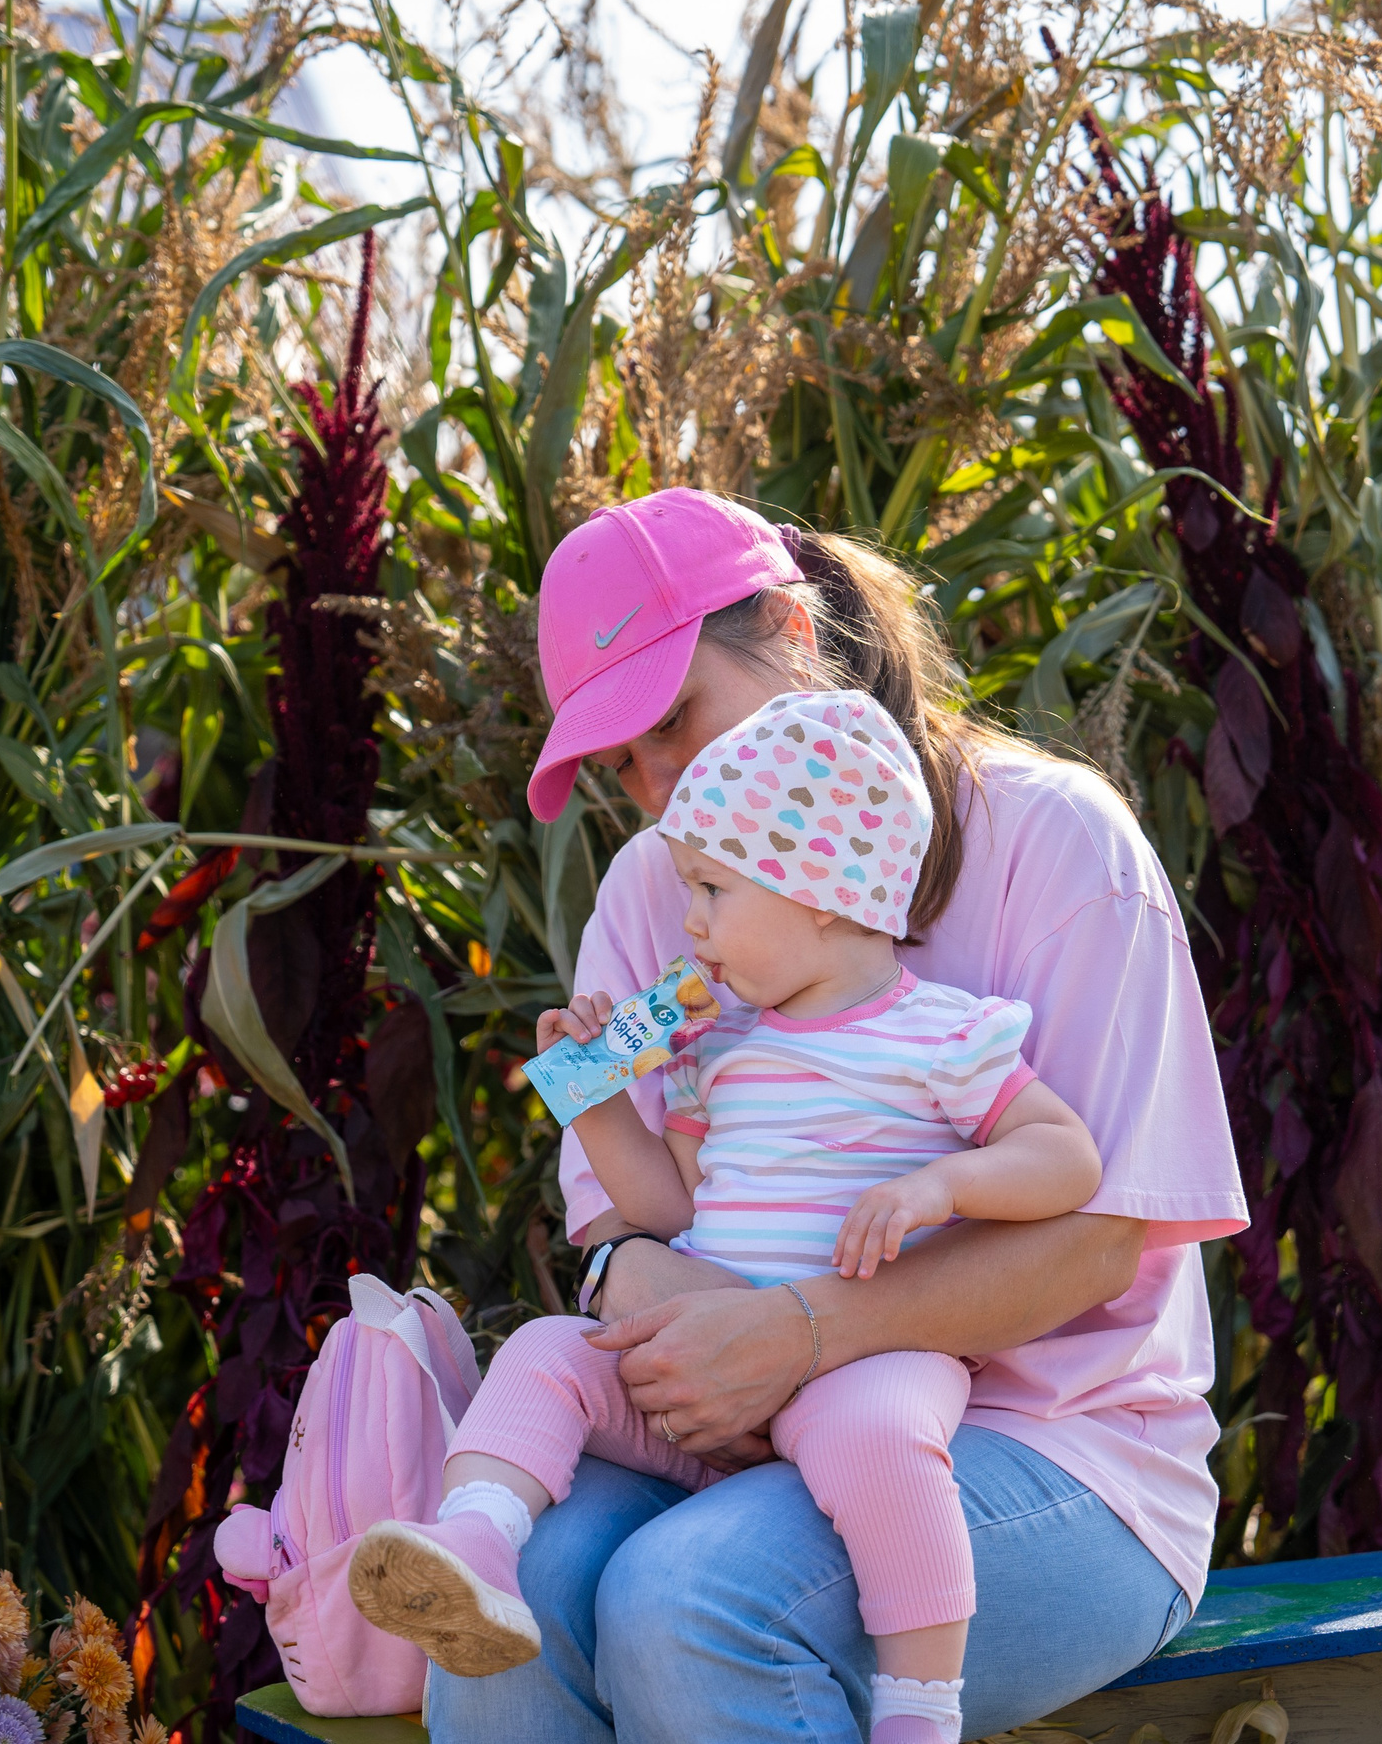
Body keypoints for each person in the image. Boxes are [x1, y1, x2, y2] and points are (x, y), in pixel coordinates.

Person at [424, 488, 1248, 1744]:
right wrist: (694, 1327)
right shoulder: (660, 894)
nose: (659, 787)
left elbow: (1099, 1237)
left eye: (676, 719)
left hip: (1066, 1453)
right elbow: (629, 1240)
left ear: (791, 629)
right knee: (520, 1595)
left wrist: (803, 1338)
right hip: (734, 1430)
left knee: (692, 1598)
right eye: (620, 764)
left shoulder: (1058, 843)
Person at [349, 690, 1107, 1744]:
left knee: (887, 1444)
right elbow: (665, 1209)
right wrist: (598, 1095)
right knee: (545, 1352)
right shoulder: (724, 1051)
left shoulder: (946, 1036)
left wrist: (942, 1188)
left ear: (826, 897)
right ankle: (477, 1541)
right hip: (703, 1368)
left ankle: (921, 1705)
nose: (690, 923)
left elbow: (1064, 1159)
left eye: (711, 889)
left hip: (861, 1355)